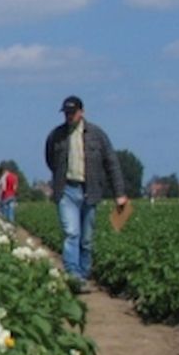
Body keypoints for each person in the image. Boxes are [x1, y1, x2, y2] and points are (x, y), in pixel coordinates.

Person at [45, 96, 127, 292]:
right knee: (71, 233)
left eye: (72, 113)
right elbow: (50, 159)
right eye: (66, 113)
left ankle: (83, 273)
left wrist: (120, 193)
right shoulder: (56, 135)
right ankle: (73, 276)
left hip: (90, 190)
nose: (69, 116)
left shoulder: (97, 135)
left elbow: (111, 163)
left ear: (82, 112)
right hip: (67, 190)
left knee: (86, 238)